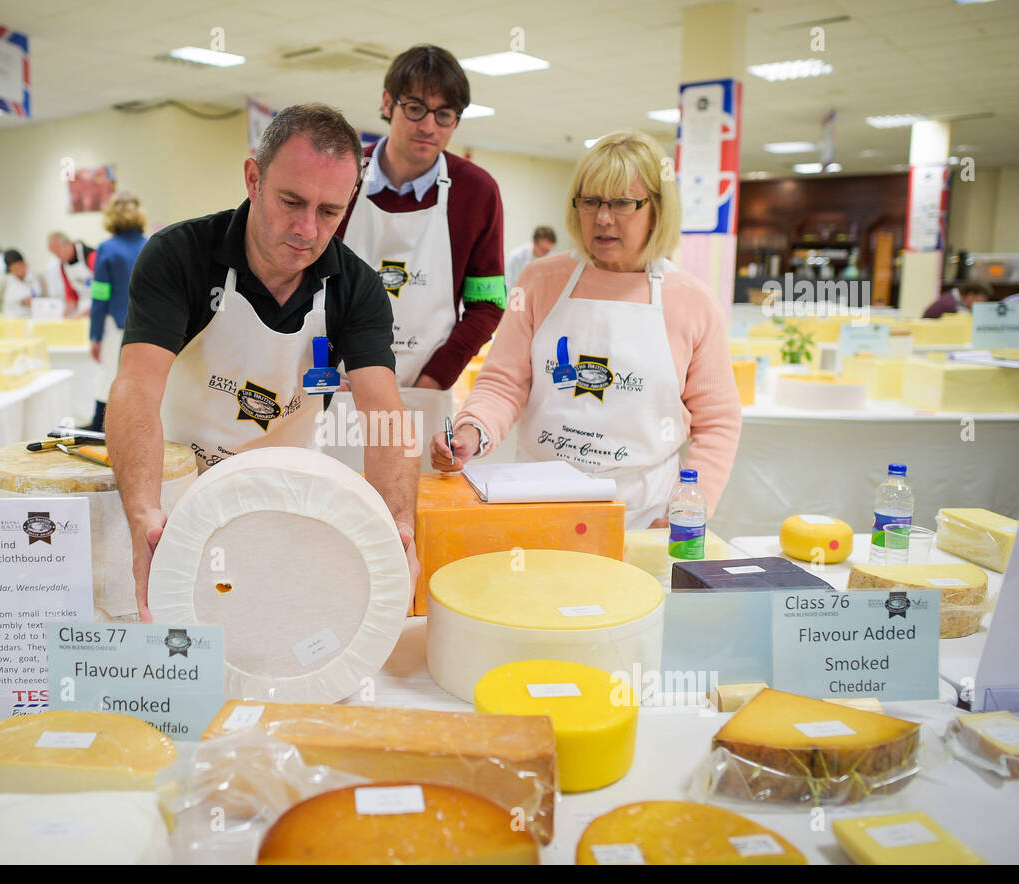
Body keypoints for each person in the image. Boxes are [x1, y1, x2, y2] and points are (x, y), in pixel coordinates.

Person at [108, 103, 419, 619]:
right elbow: (137, 387)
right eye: (291, 201)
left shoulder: (358, 289)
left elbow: (384, 411)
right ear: (253, 178)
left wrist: (399, 523)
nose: (306, 230)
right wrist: (144, 513)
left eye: (328, 212)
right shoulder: (178, 256)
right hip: (176, 500)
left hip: (286, 501)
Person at [431, 131, 742, 529]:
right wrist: (472, 431)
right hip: (538, 503)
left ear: (657, 209)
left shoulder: (692, 302)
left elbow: (717, 423)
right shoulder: (542, 279)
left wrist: (682, 514)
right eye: (591, 201)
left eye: (622, 203)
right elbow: (503, 383)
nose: (603, 218)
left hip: (643, 516)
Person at [337, 44, 506, 393]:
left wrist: (432, 382)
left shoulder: (477, 193)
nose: (429, 126)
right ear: (387, 103)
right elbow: (300, 283)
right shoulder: (341, 173)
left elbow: (487, 304)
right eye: (415, 108)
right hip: (333, 386)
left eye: (444, 114)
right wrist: (320, 368)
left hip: (423, 390)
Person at [87, 193, 149, 432]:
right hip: (146, 325)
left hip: (116, 326)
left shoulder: (106, 249)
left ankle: (100, 431)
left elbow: (100, 297)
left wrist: (95, 336)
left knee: (107, 381)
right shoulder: (150, 244)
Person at [42, 232, 97, 317]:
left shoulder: (92, 257)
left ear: (68, 244)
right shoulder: (63, 266)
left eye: (58, 252)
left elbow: (104, 292)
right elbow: (71, 296)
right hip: (82, 308)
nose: (57, 257)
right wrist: (64, 317)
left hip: (99, 308)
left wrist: (84, 315)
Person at [0, 249, 42, 317]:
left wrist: (35, 301)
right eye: (15, 269)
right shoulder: (4, 281)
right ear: (10, 269)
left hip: (32, 319)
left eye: (20, 267)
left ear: (25, 264)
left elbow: (44, 299)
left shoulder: (37, 278)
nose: (19, 271)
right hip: (10, 321)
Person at [922, 279, 991, 318]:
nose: (982, 304)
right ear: (971, 296)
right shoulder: (949, 305)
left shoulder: (953, 298)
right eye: (982, 300)